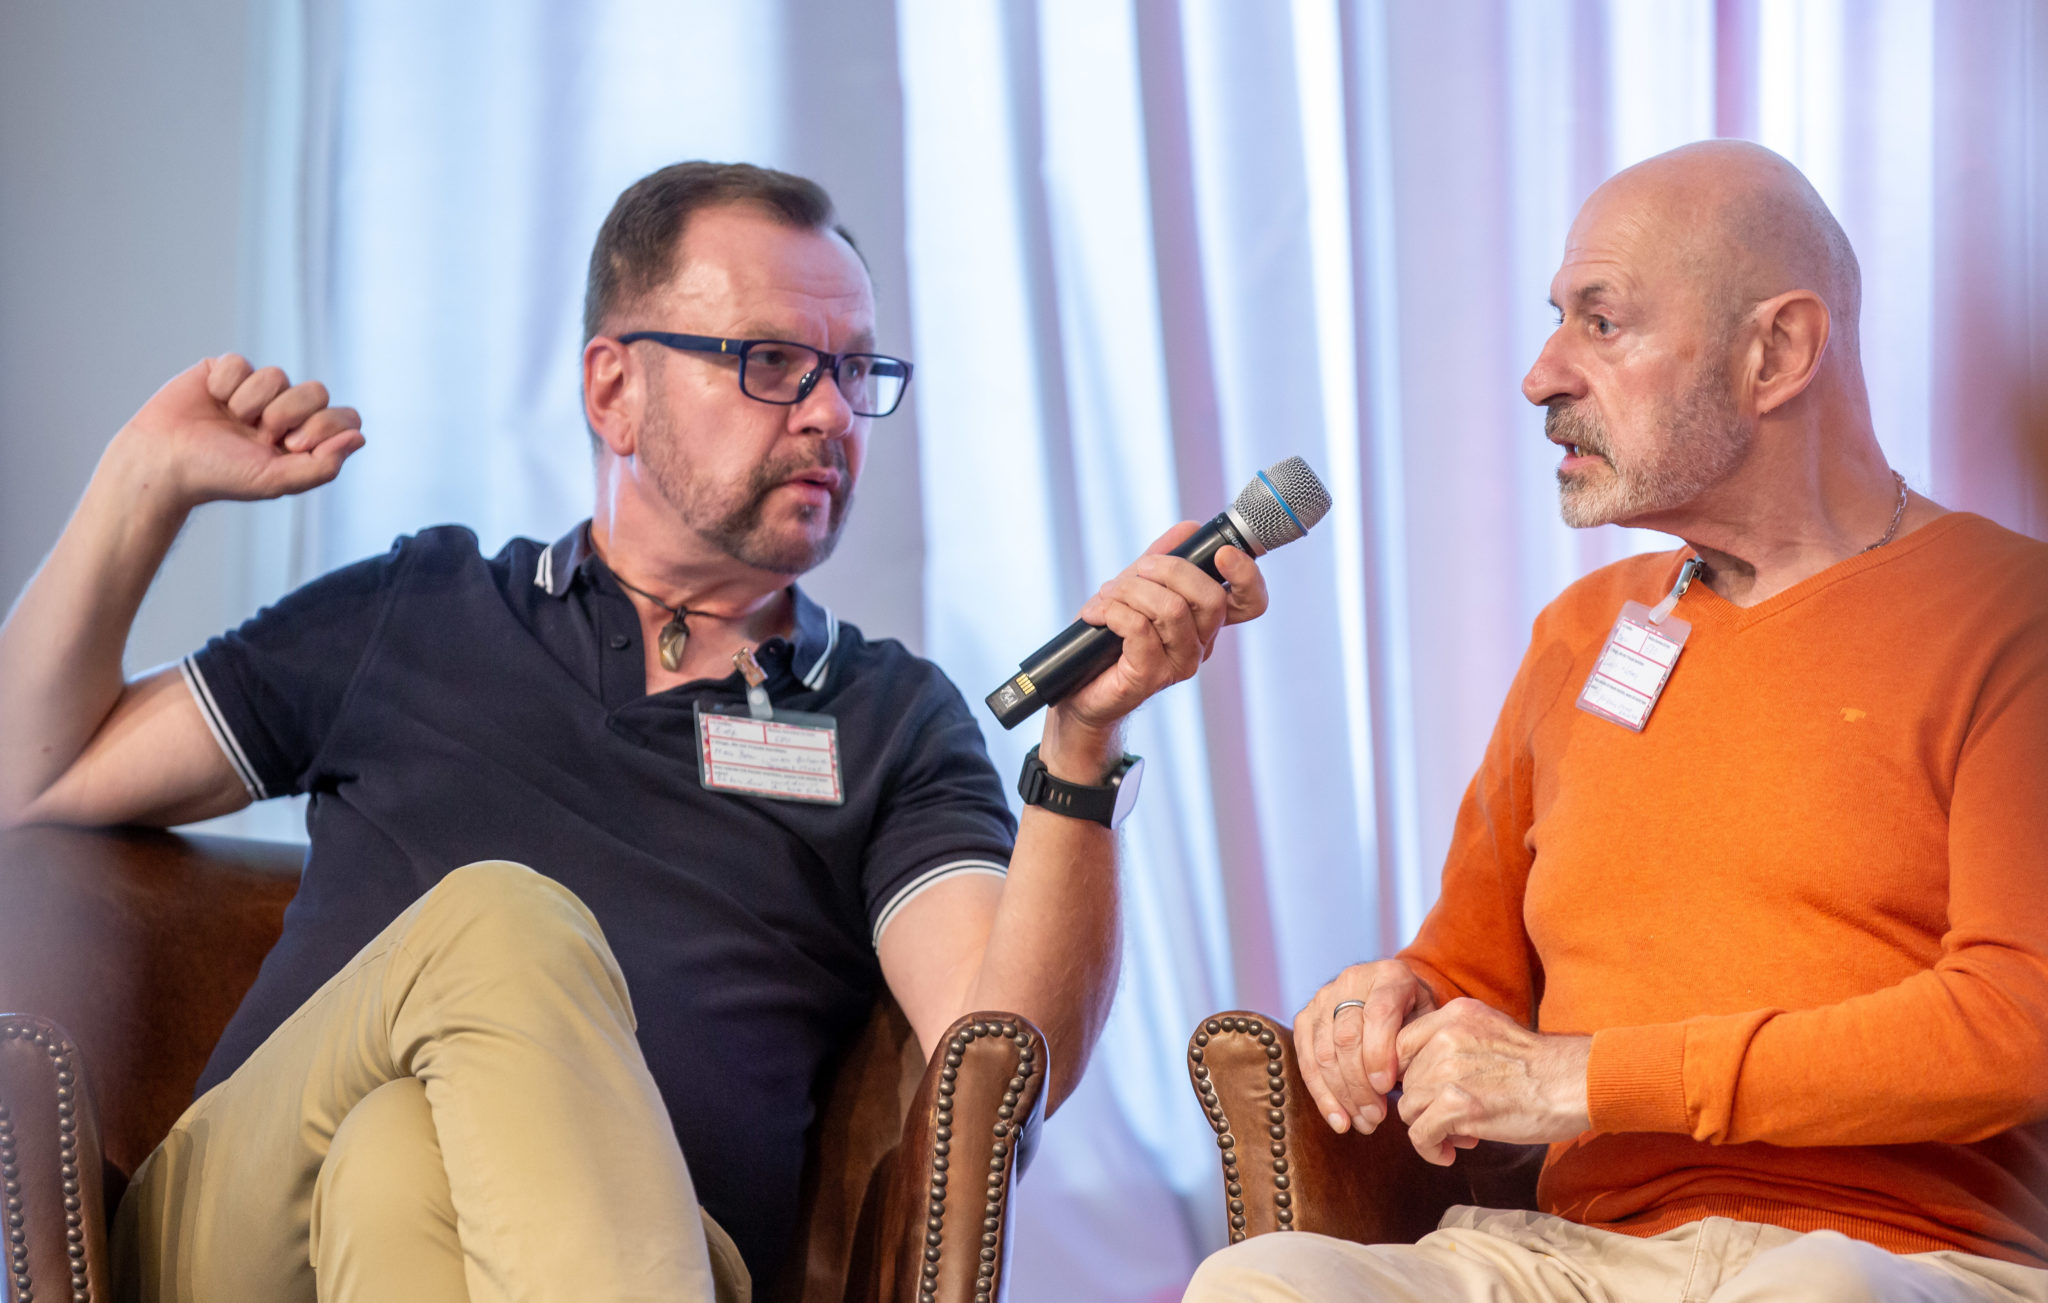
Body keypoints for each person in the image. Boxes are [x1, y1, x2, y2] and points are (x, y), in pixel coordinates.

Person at [0, 161, 1269, 1303]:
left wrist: (1080, 748)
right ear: (614, 387)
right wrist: (140, 483)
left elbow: (1000, 1057)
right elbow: (29, 775)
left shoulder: (886, 717)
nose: (829, 413)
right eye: (771, 362)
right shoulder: (419, 608)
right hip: (234, 1238)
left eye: (852, 371)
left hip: (658, 1245)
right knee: (500, 920)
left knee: (398, 1162)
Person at [1186, 140, 2047, 1302]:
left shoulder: (2008, 617)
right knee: (1262, 1281)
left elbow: (2011, 1020)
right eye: (1556, 321)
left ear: (1776, 351)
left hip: (1900, 1253)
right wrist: (1390, 1000)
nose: (1540, 374)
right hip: (1576, 1258)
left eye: (1601, 322)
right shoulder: (1580, 633)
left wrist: (1586, 1079)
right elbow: (1468, 969)